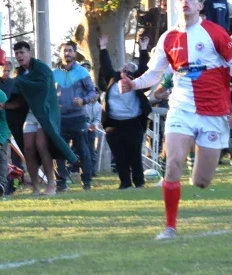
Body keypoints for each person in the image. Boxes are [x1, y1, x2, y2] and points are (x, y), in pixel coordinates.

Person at [120, 0, 232, 240]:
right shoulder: (168, 38)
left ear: (200, 5)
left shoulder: (214, 32)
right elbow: (154, 74)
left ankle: (199, 173)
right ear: (176, 4)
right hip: (181, 107)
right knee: (173, 163)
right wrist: (134, 84)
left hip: (213, 112)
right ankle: (170, 227)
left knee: (202, 181)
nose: (185, 1)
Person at [12, 41, 77, 197]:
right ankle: (35, 187)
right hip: (31, 113)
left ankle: (51, 184)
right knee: (28, 148)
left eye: (22, 52)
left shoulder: (42, 68)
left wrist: (20, 81)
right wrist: (7, 105)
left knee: (42, 145)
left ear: (29, 53)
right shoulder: (20, 73)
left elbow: (41, 87)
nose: (19, 56)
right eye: (16, 53)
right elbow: (19, 96)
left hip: (46, 113)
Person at [98, 35, 152, 189]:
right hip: (114, 124)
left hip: (133, 123)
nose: (126, 69)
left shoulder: (137, 82)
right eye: (124, 67)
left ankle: (139, 182)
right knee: (119, 156)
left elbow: (144, 69)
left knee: (134, 155)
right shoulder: (113, 79)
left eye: (130, 69)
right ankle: (125, 183)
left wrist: (143, 49)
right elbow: (106, 66)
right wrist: (103, 48)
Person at [53, 41, 98, 192]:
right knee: (59, 151)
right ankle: (61, 183)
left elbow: (93, 92)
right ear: (60, 53)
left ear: (75, 53)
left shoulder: (82, 72)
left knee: (83, 150)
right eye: (64, 50)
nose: (67, 53)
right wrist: (53, 104)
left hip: (78, 117)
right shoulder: (54, 73)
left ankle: (86, 182)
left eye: (70, 50)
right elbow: (48, 94)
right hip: (60, 119)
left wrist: (83, 100)